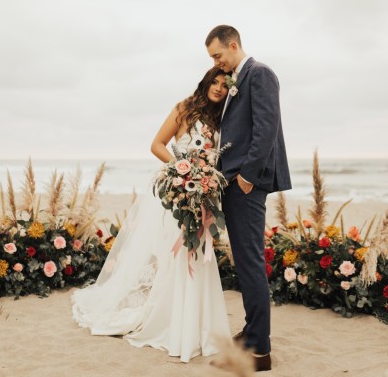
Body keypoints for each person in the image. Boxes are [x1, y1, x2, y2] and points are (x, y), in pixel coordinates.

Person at [71, 67, 231, 363]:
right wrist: (182, 172)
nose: (219, 88)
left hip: (202, 196)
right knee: (172, 256)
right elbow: (156, 144)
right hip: (177, 193)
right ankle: (169, 319)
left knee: (196, 257)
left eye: (224, 84)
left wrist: (203, 179)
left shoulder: (223, 118)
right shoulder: (184, 109)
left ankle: (194, 324)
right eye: (215, 82)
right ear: (206, 82)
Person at [206, 25, 292, 373]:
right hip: (234, 181)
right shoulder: (236, 81)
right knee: (244, 260)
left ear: (233, 44)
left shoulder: (260, 74)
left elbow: (266, 128)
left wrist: (246, 178)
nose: (217, 63)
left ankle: (259, 351)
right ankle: (253, 330)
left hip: (247, 183)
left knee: (251, 262)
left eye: (218, 55)